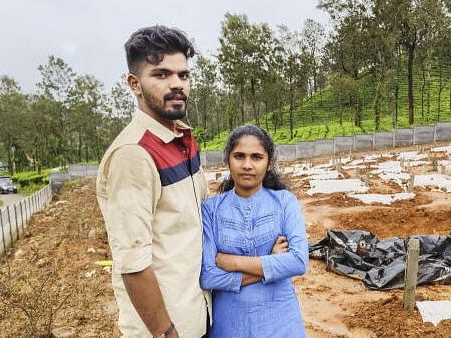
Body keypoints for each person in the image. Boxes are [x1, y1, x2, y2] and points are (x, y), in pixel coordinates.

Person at [96, 25, 210, 338]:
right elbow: (133, 263)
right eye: (161, 75)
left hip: (197, 310)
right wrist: (167, 333)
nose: (177, 84)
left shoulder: (183, 138)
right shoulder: (134, 154)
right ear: (134, 84)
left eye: (183, 75)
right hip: (167, 328)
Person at [200, 125, 309, 337]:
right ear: (228, 160)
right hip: (230, 325)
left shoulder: (284, 202)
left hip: (281, 322)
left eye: (257, 157)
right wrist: (270, 262)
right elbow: (208, 276)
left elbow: (298, 261)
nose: (247, 165)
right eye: (239, 156)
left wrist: (232, 262)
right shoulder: (211, 210)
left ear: (269, 163)